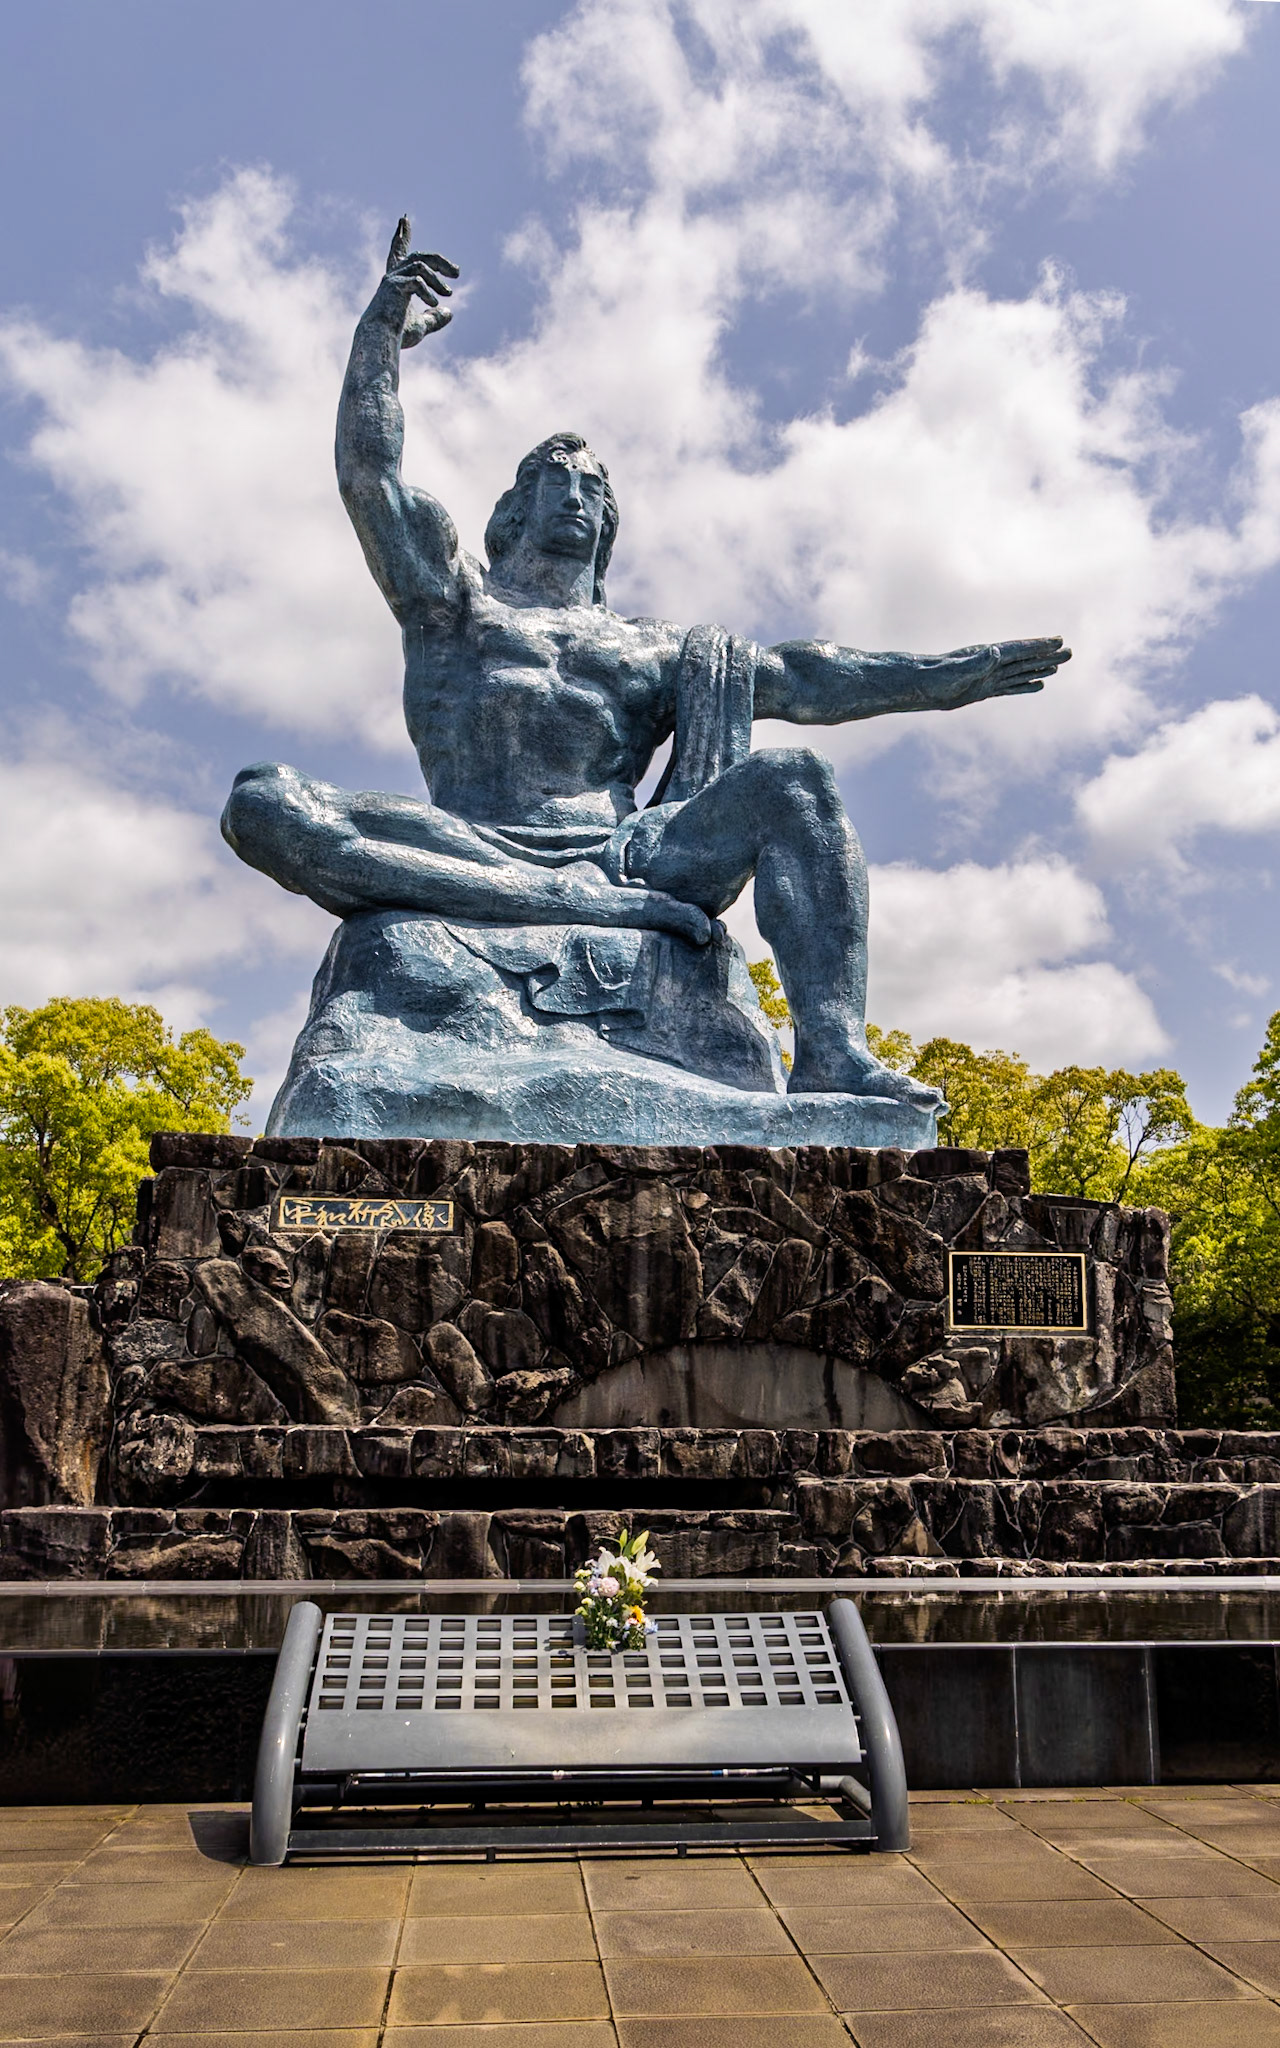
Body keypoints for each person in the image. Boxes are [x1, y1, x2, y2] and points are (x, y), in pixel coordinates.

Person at [224, 220, 1069, 1109]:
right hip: (472, 838)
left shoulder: (651, 648)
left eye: (594, 487)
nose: (576, 494)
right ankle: (563, 906)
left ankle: (832, 1052)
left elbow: (804, 678)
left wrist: (945, 678)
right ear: (511, 510)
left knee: (797, 783)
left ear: (609, 523)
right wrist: (379, 337)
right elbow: (371, 475)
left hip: (626, 855)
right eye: (555, 478)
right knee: (262, 802)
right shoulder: (453, 600)